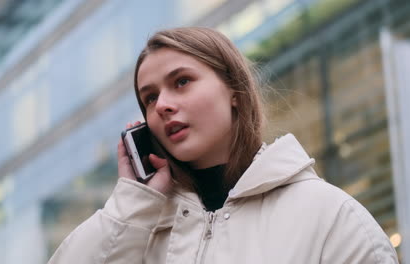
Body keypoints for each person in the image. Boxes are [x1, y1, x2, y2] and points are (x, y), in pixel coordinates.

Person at [48, 27, 399, 263]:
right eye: (150, 98)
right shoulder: (142, 229)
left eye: (181, 81)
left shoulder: (328, 215)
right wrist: (132, 202)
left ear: (234, 90)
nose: (163, 105)